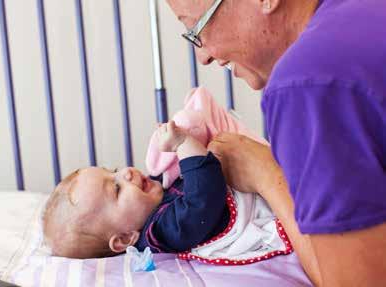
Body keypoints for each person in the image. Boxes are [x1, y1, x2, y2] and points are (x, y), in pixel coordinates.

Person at [165, 0, 386, 286]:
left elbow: (356, 281)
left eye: (196, 27)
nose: (202, 56)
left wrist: (265, 174)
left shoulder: (308, 81)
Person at [43, 121, 229, 258]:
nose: (126, 172)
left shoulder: (150, 199)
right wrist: (183, 143)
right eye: (117, 188)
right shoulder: (163, 231)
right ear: (125, 238)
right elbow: (203, 197)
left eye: (113, 171)